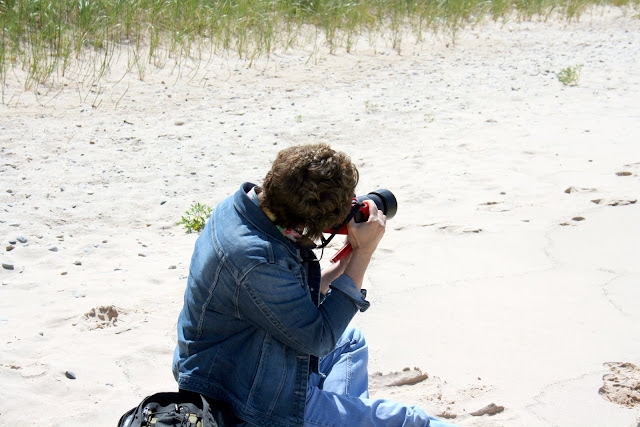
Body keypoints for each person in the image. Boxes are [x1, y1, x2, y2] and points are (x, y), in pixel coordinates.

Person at [173, 144, 455, 426]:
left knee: (350, 342)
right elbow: (320, 339)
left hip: (242, 356)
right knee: (411, 421)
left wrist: (346, 259)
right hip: (245, 397)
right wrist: (363, 253)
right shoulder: (257, 259)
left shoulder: (243, 210)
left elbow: (276, 301)